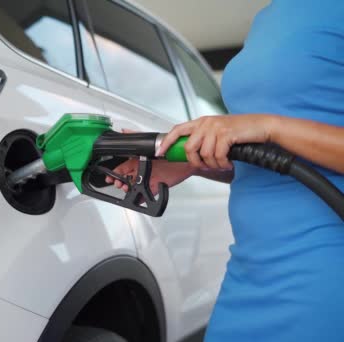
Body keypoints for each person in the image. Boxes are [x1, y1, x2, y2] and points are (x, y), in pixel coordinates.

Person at [107, 1, 344, 340]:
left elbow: (270, 132)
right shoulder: (269, 16)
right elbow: (274, 161)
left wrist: (268, 126)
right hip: (251, 268)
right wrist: (190, 161)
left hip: (325, 270)